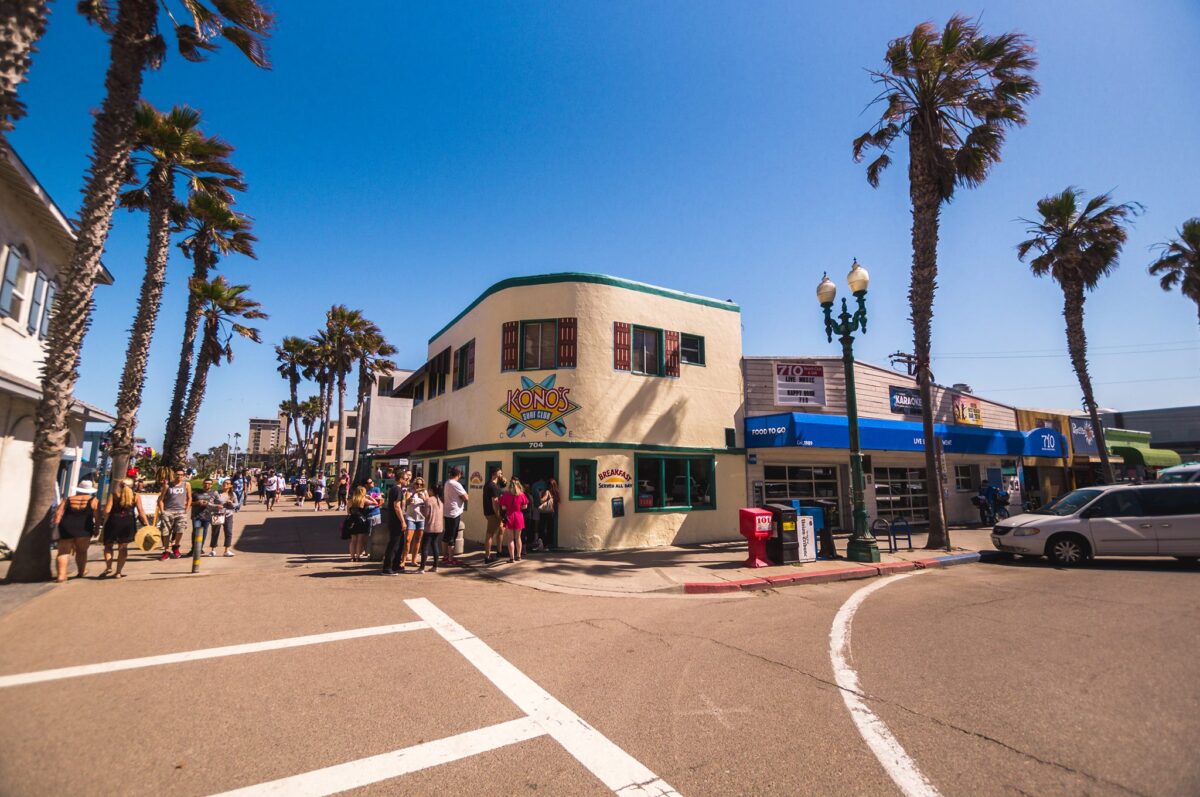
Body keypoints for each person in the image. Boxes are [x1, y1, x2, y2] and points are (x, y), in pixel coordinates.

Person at [99, 478, 148, 579]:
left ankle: (108, 567)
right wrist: (147, 524)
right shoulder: (136, 496)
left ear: (120, 485)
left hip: (114, 521)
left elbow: (106, 511)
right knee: (123, 548)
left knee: (108, 545)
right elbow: (141, 511)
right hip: (128, 522)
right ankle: (118, 572)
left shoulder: (114, 495)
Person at [53, 480, 99, 582]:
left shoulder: (68, 499)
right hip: (84, 528)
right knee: (82, 551)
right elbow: (97, 516)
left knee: (63, 552)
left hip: (66, 527)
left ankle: (61, 575)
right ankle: (81, 572)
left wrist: (56, 526)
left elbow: (58, 513)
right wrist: (96, 529)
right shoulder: (94, 501)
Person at [156, 467, 191, 560]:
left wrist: (186, 510)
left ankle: (176, 547)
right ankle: (166, 551)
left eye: (181, 475)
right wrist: (162, 511)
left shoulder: (186, 485)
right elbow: (160, 499)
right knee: (166, 532)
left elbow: (189, 498)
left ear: (184, 476)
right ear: (174, 475)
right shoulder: (168, 486)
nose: (179, 476)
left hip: (181, 511)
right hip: (168, 511)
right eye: (177, 474)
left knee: (180, 530)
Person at [382, 470, 411, 575]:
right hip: (396, 521)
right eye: (406, 478)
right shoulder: (397, 490)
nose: (408, 480)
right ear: (401, 479)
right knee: (394, 544)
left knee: (400, 543)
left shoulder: (398, 490)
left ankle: (395, 565)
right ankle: (387, 567)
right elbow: (397, 506)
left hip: (396, 520)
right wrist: (402, 521)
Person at [498, 478, 529, 563]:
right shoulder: (522, 494)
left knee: (510, 539)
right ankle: (518, 556)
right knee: (518, 537)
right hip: (519, 516)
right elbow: (525, 506)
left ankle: (511, 558)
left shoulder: (506, 495)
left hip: (509, 516)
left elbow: (503, 507)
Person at [442, 467, 468, 566]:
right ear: (459, 475)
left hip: (447, 511)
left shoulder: (447, 483)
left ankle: (444, 556)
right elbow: (466, 497)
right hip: (455, 512)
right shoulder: (456, 484)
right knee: (452, 536)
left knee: (447, 535)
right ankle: (450, 558)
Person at [207, 479, 239, 557]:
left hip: (228, 515)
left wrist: (232, 503)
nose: (225, 484)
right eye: (224, 483)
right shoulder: (216, 493)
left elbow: (237, 504)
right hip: (218, 514)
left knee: (228, 532)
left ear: (231, 485)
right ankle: (213, 550)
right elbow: (209, 503)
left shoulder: (233, 494)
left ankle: (226, 550)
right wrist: (216, 506)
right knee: (215, 532)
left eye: (228, 483)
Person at [419, 482, 444, 573]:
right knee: (435, 545)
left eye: (429, 489)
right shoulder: (440, 501)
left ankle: (422, 568)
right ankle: (435, 566)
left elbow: (426, 514)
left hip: (430, 527)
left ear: (432, 491)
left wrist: (422, 506)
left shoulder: (429, 500)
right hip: (438, 527)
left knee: (425, 547)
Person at [404, 476, 428, 570]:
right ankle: (404, 559)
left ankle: (414, 560)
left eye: (420, 484)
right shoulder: (409, 491)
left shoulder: (424, 492)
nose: (419, 485)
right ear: (414, 484)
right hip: (411, 517)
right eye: (417, 484)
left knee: (418, 540)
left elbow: (428, 503)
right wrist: (413, 495)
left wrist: (423, 498)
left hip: (421, 518)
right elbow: (406, 502)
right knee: (407, 539)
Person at [190, 478, 218, 557]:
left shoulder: (214, 493)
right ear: (203, 484)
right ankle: (193, 549)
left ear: (211, 485)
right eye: (205, 483)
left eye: (209, 484)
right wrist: (197, 502)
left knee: (204, 533)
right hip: (196, 516)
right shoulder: (196, 493)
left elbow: (218, 503)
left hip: (208, 516)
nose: (207, 485)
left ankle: (200, 548)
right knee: (195, 532)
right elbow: (189, 503)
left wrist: (209, 504)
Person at [483, 466, 506, 564]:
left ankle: (499, 551)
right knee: (490, 534)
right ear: (494, 473)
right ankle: (487, 557)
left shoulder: (492, 484)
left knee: (501, 530)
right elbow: (495, 502)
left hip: (492, 512)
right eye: (499, 473)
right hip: (493, 513)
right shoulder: (492, 486)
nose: (501, 474)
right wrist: (498, 515)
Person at [346, 485, 371, 562]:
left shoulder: (350, 501)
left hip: (352, 521)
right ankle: (358, 557)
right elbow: (375, 503)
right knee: (360, 540)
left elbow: (348, 512)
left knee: (353, 540)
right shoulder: (363, 500)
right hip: (361, 521)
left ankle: (352, 557)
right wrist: (369, 497)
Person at [535, 478, 559, 552]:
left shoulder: (547, 491)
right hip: (551, 512)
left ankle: (542, 546)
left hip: (545, 513)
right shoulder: (556, 493)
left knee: (542, 528)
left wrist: (539, 494)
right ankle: (547, 545)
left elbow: (542, 500)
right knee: (549, 528)